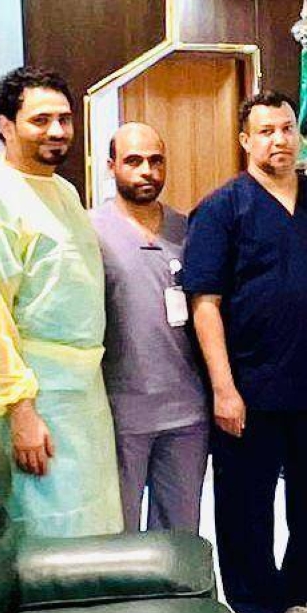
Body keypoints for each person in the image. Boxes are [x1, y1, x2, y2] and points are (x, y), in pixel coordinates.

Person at [183, 91, 307, 613]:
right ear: (245, 140)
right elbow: (204, 303)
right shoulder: (222, 209)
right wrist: (223, 389)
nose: (279, 139)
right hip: (250, 384)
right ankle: (256, 609)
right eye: (266, 131)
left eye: (286, 128)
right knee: (245, 503)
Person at [0, 66, 122, 538]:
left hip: (81, 393)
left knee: (92, 526)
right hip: (35, 400)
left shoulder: (62, 190)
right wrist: (21, 411)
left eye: (64, 119)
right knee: (47, 532)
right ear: (6, 125)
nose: (57, 131)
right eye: (40, 120)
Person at [91, 122, 210, 533]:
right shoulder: (91, 232)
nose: (147, 171)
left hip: (186, 414)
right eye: (134, 161)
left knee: (178, 535)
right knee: (117, 537)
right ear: (111, 166)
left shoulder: (187, 229)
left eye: (156, 161)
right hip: (120, 414)